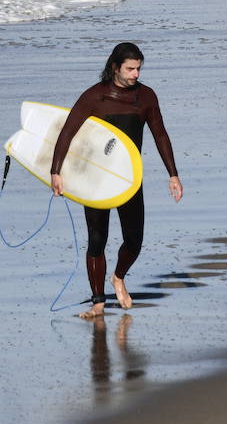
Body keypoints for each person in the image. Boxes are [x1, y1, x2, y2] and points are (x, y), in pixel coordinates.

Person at [50, 42, 183, 319]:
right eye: (130, 69)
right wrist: (56, 171)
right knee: (97, 240)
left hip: (129, 178)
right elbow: (67, 133)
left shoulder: (146, 97)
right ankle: (98, 303)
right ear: (115, 67)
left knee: (134, 240)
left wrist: (173, 174)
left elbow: (160, 135)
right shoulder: (94, 97)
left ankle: (118, 277)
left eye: (138, 69)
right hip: (96, 179)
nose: (136, 74)